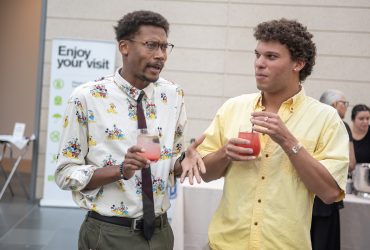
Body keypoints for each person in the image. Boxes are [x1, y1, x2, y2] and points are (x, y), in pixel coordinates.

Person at [54, 10, 205, 250]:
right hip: (109, 234)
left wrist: (186, 159)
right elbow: (65, 173)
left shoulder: (173, 95)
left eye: (165, 47)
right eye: (151, 45)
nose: (160, 56)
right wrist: (121, 170)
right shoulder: (87, 97)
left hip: (161, 233)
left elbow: (171, 163)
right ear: (124, 47)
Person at [197, 18, 349, 249]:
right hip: (223, 244)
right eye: (257, 54)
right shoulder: (233, 107)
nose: (259, 63)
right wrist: (225, 153)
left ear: (298, 63)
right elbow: (205, 174)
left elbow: (329, 193)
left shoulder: (325, 118)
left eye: (271, 57)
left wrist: (288, 142)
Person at [309, 89, 356, 250]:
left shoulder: (310, 122)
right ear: (335, 104)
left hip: (307, 191)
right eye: (344, 103)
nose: (345, 107)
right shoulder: (340, 125)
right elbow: (351, 163)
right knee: (324, 242)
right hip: (328, 190)